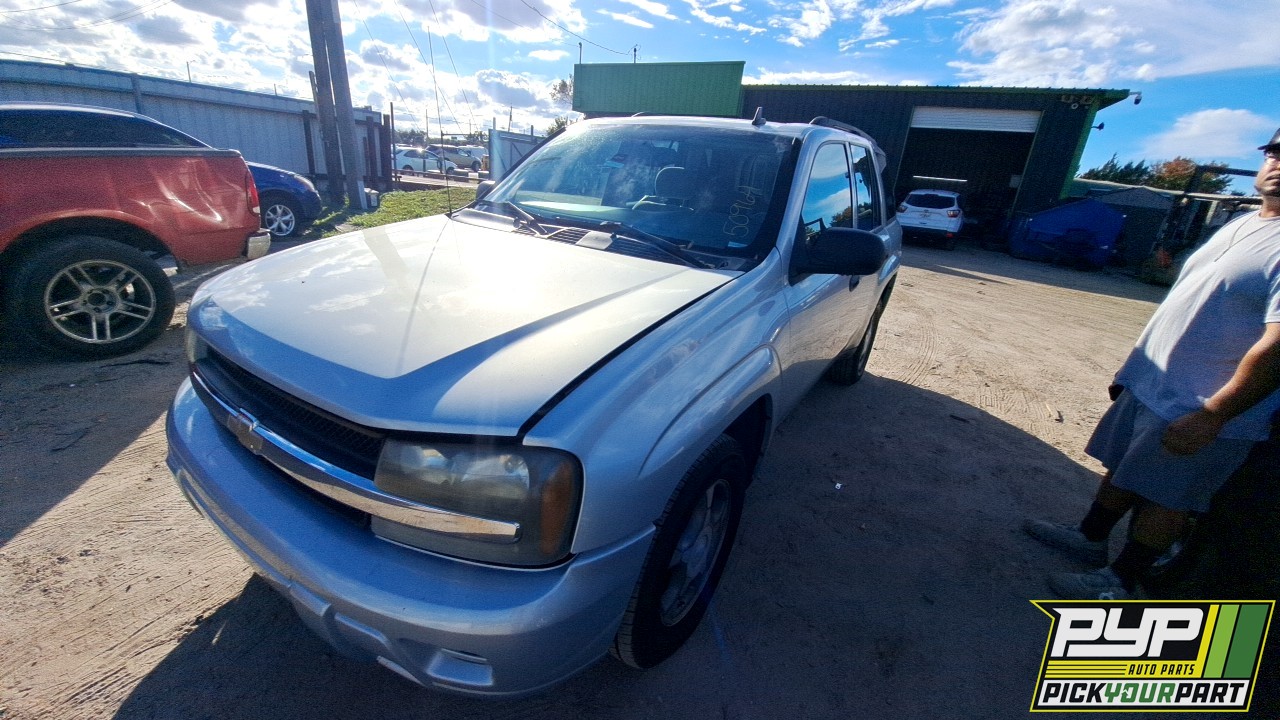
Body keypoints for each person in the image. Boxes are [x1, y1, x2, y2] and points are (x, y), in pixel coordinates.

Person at [1025, 128, 1280, 599]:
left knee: (1168, 496)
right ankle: (1090, 538)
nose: (1278, 166)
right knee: (1124, 468)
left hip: (1205, 404)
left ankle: (1123, 580)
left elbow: (1278, 345)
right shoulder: (1245, 223)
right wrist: (1135, 373)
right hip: (1157, 383)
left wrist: (1215, 414)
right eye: (1276, 153)